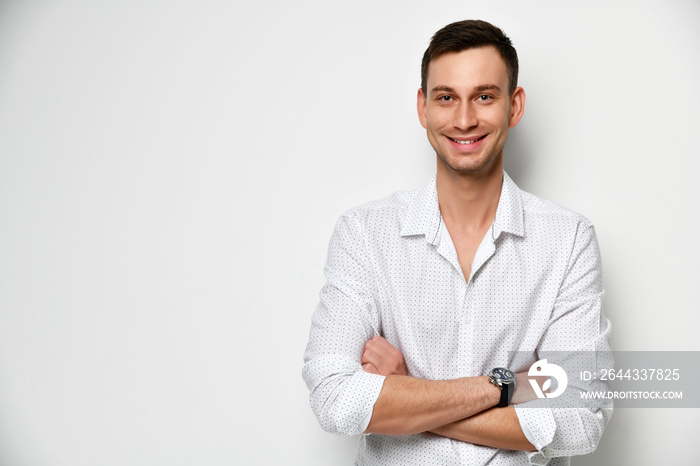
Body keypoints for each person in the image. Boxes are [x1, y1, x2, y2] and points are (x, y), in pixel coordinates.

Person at [302, 19, 612, 465]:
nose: (464, 119)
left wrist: (407, 393)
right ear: (423, 107)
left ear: (514, 106)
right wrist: (510, 386)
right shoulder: (364, 234)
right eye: (446, 98)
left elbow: (582, 419)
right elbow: (333, 395)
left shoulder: (568, 240)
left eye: (484, 96)